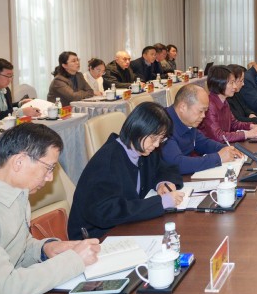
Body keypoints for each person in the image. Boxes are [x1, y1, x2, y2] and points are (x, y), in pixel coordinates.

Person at [0, 124, 100, 294]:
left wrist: (45, 249)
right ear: (19, 162)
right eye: (49, 168)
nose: (50, 178)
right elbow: (3, 290)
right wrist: (74, 260)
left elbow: (16, 247)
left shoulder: (12, 192)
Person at [68, 102, 185, 240]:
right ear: (137, 129)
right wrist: (160, 202)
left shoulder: (144, 150)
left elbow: (167, 168)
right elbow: (106, 212)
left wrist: (163, 183)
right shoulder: (107, 161)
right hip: (95, 238)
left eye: (161, 139)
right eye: (154, 138)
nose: (156, 144)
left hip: (127, 227)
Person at [161, 84, 243, 175]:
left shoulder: (188, 121)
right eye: (201, 111)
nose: (203, 116)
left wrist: (225, 149)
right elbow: (177, 164)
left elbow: (203, 143)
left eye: (205, 111)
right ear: (183, 107)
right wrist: (218, 158)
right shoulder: (163, 125)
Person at [199, 66, 257, 143]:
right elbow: (218, 136)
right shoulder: (209, 105)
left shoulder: (224, 101)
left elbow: (234, 124)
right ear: (220, 83)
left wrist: (251, 126)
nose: (235, 86)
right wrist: (246, 134)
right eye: (231, 83)